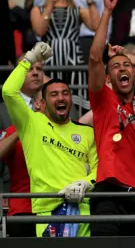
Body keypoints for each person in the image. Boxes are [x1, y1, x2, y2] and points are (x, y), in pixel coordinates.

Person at [2, 42, 97, 237]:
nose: (60, 98)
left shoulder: (87, 132)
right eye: (54, 94)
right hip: (46, 211)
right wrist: (29, 59)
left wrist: (86, 183)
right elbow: (8, 92)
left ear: (71, 99)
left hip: (82, 210)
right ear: (42, 104)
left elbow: (98, 167)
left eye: (65, 93)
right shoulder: (32, 123)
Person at [87, 0, 135, 236]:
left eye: (127, 66)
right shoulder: (103, 100)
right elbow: (94, 57)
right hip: (108, 193)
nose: (122, 68)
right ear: (109, 77)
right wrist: (108, 12)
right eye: (115, 67)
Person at [0, 88, 45, 238]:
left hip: (56, 208)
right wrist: (23, 129)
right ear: (38, 105)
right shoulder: (14, 130)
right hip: (23, 209)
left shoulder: (64, 129)